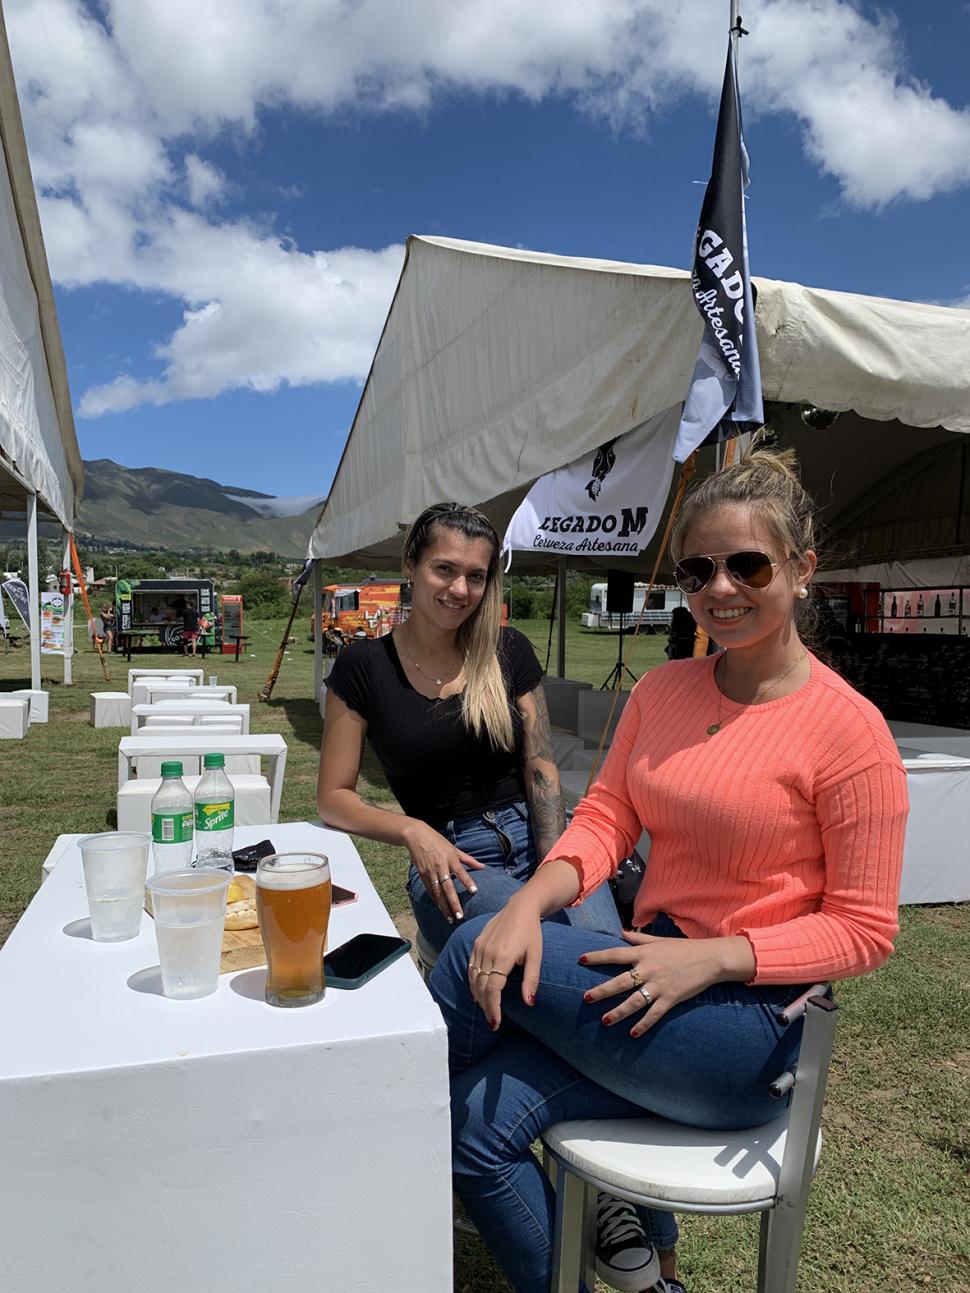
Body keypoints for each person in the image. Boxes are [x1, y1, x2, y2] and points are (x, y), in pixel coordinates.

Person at [428, 450, 909, 1293]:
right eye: (697, 568)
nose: (719, 587)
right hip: (644, 982)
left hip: (746, 1030)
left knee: (472, 962)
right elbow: (607, 820)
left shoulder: (850, 731)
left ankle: (375, 1121)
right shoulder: (663, 690)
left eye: (747, 564)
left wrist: (717, 955)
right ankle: (649, 1282)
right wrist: (530, 902)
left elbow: (866, 928)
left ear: (802, 570)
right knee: (472, 1130)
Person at [317, 501, 618, 960]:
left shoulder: (507, 650)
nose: (459, 589)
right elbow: (333, 796)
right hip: (450, 856)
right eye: (444, 569)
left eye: (476, 576)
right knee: (560, 953)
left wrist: (553, 863)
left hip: (543, 836)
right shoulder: (363, 667)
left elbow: (540, 770)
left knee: (603, 952)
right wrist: (413, 831)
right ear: (410, 566)